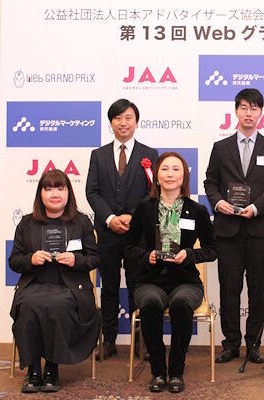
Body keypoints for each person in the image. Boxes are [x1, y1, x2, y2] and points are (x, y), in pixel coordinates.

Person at [204, 88, 264, 364]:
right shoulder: (221, 147)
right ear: (236, 111)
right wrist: (218, 203)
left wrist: (257, 207)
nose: (248, 113)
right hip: (228, 230)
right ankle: (230, 343)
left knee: (257, 288)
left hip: (260, 230)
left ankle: (253, 344)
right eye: (243, 108)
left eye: (253, 108)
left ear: (261, 112)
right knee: (229, 288)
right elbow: (210, 182)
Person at [125, 152, 217, 393]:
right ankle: (158, 370)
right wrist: (147, 256)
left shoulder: (197, 210)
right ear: (156, 176)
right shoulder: (144, 209)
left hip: (186, 281)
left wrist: (190, 254)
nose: (170, 174)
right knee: (150, 303)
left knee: (180, 304)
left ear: (184, 176)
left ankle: (176, 371)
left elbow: (212, 250)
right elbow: (128, 247)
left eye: (176, 169)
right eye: (165, 169)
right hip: (150, 279)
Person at [9, 169, 100, 393]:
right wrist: (31, 259)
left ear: (68, 192)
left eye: (60, 188)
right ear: (40, 194)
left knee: (58, 305)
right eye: (48, 189)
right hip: (35, 284)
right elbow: (14, 261)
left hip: (70, 287)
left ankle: (51, 368)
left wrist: (77, 260)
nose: (55, 194)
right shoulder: (27, 223)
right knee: (28, 305)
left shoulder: (81, 222)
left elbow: (94, 258)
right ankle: (33, 370)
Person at [86, 99, 158, 358]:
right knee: (109, 286)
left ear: (136, 122)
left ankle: (141, 342)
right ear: (111, 123)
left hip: (138, 234)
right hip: (107, 233)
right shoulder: (98, 155)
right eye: (118, 118)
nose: (123, 123)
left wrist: (132, 217)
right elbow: (92, 192)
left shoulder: (150, 154)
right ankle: (109, 340)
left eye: (128, 118)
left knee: (139, 285)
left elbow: (153, 192)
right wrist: (109, 218)